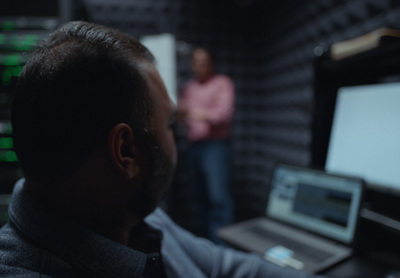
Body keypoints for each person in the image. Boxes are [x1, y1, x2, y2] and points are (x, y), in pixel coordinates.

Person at [0, 21, 323, 278]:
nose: (174, 133)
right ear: (126, 152)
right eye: (169, 124)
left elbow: (226, 266)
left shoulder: (133, 214)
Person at [178, 47, 235, 243]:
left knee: (219, 200)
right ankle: (207, 247)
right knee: (200, 199)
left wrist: (191, 112)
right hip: (194, 147)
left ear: (211, 64)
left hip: (215, 147)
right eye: (196, 62)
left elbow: (222, 116)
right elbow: (185, 119)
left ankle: (222, 249)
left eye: (204, 62)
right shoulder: (188, 88)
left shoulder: (222, 83)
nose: (200, 67)